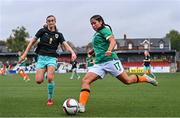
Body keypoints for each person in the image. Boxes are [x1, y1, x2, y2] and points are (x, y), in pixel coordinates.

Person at [78, 15, 158, 113]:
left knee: (127, 81)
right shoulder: (96, 34)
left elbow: (113, 41)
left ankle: (145, 78)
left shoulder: (105, 29)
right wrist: (92, 51)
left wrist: (109, 50)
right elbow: (100, 45)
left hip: (111, 61)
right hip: (99, 64)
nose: (93, 25)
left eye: (94, 23)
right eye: (91, 24)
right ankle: (81, 105)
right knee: (85, 80)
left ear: (101, 22)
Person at [19, 15, 77, 105]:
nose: (51, 22)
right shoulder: (42, 31)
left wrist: (72, 52)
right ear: (46, 22)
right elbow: (32, 42)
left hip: (52, 58)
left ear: (55, 22)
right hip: (41, 57)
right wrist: (25, 53)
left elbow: (65, 44)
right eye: (49, 21)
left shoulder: (59, 35)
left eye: (52, 20)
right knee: (38, 81)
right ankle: (46, 73)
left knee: (50, 78)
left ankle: (50, 99)